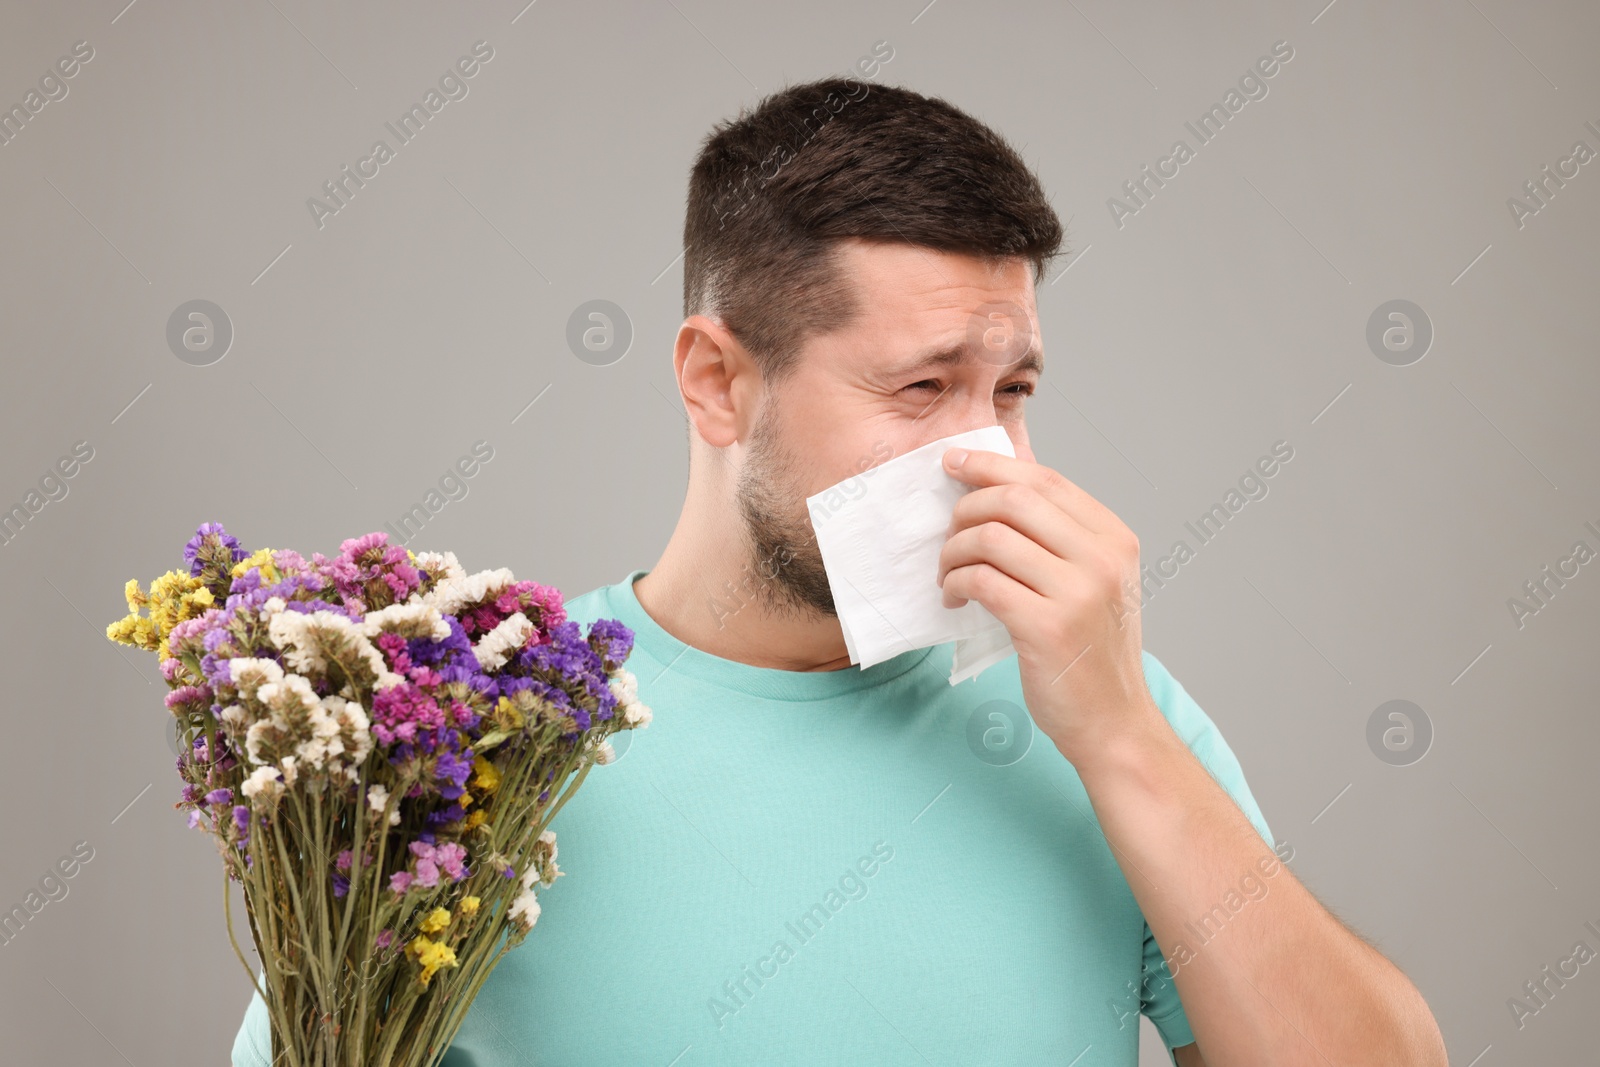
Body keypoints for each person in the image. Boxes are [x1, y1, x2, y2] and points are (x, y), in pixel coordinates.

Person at [233, 76, 1446, 1066]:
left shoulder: (1107, 712)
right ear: (717, 380)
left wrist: (1120, 734)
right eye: (920, 388)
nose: (987, 459)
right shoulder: (461, 741)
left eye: (1010, 391)